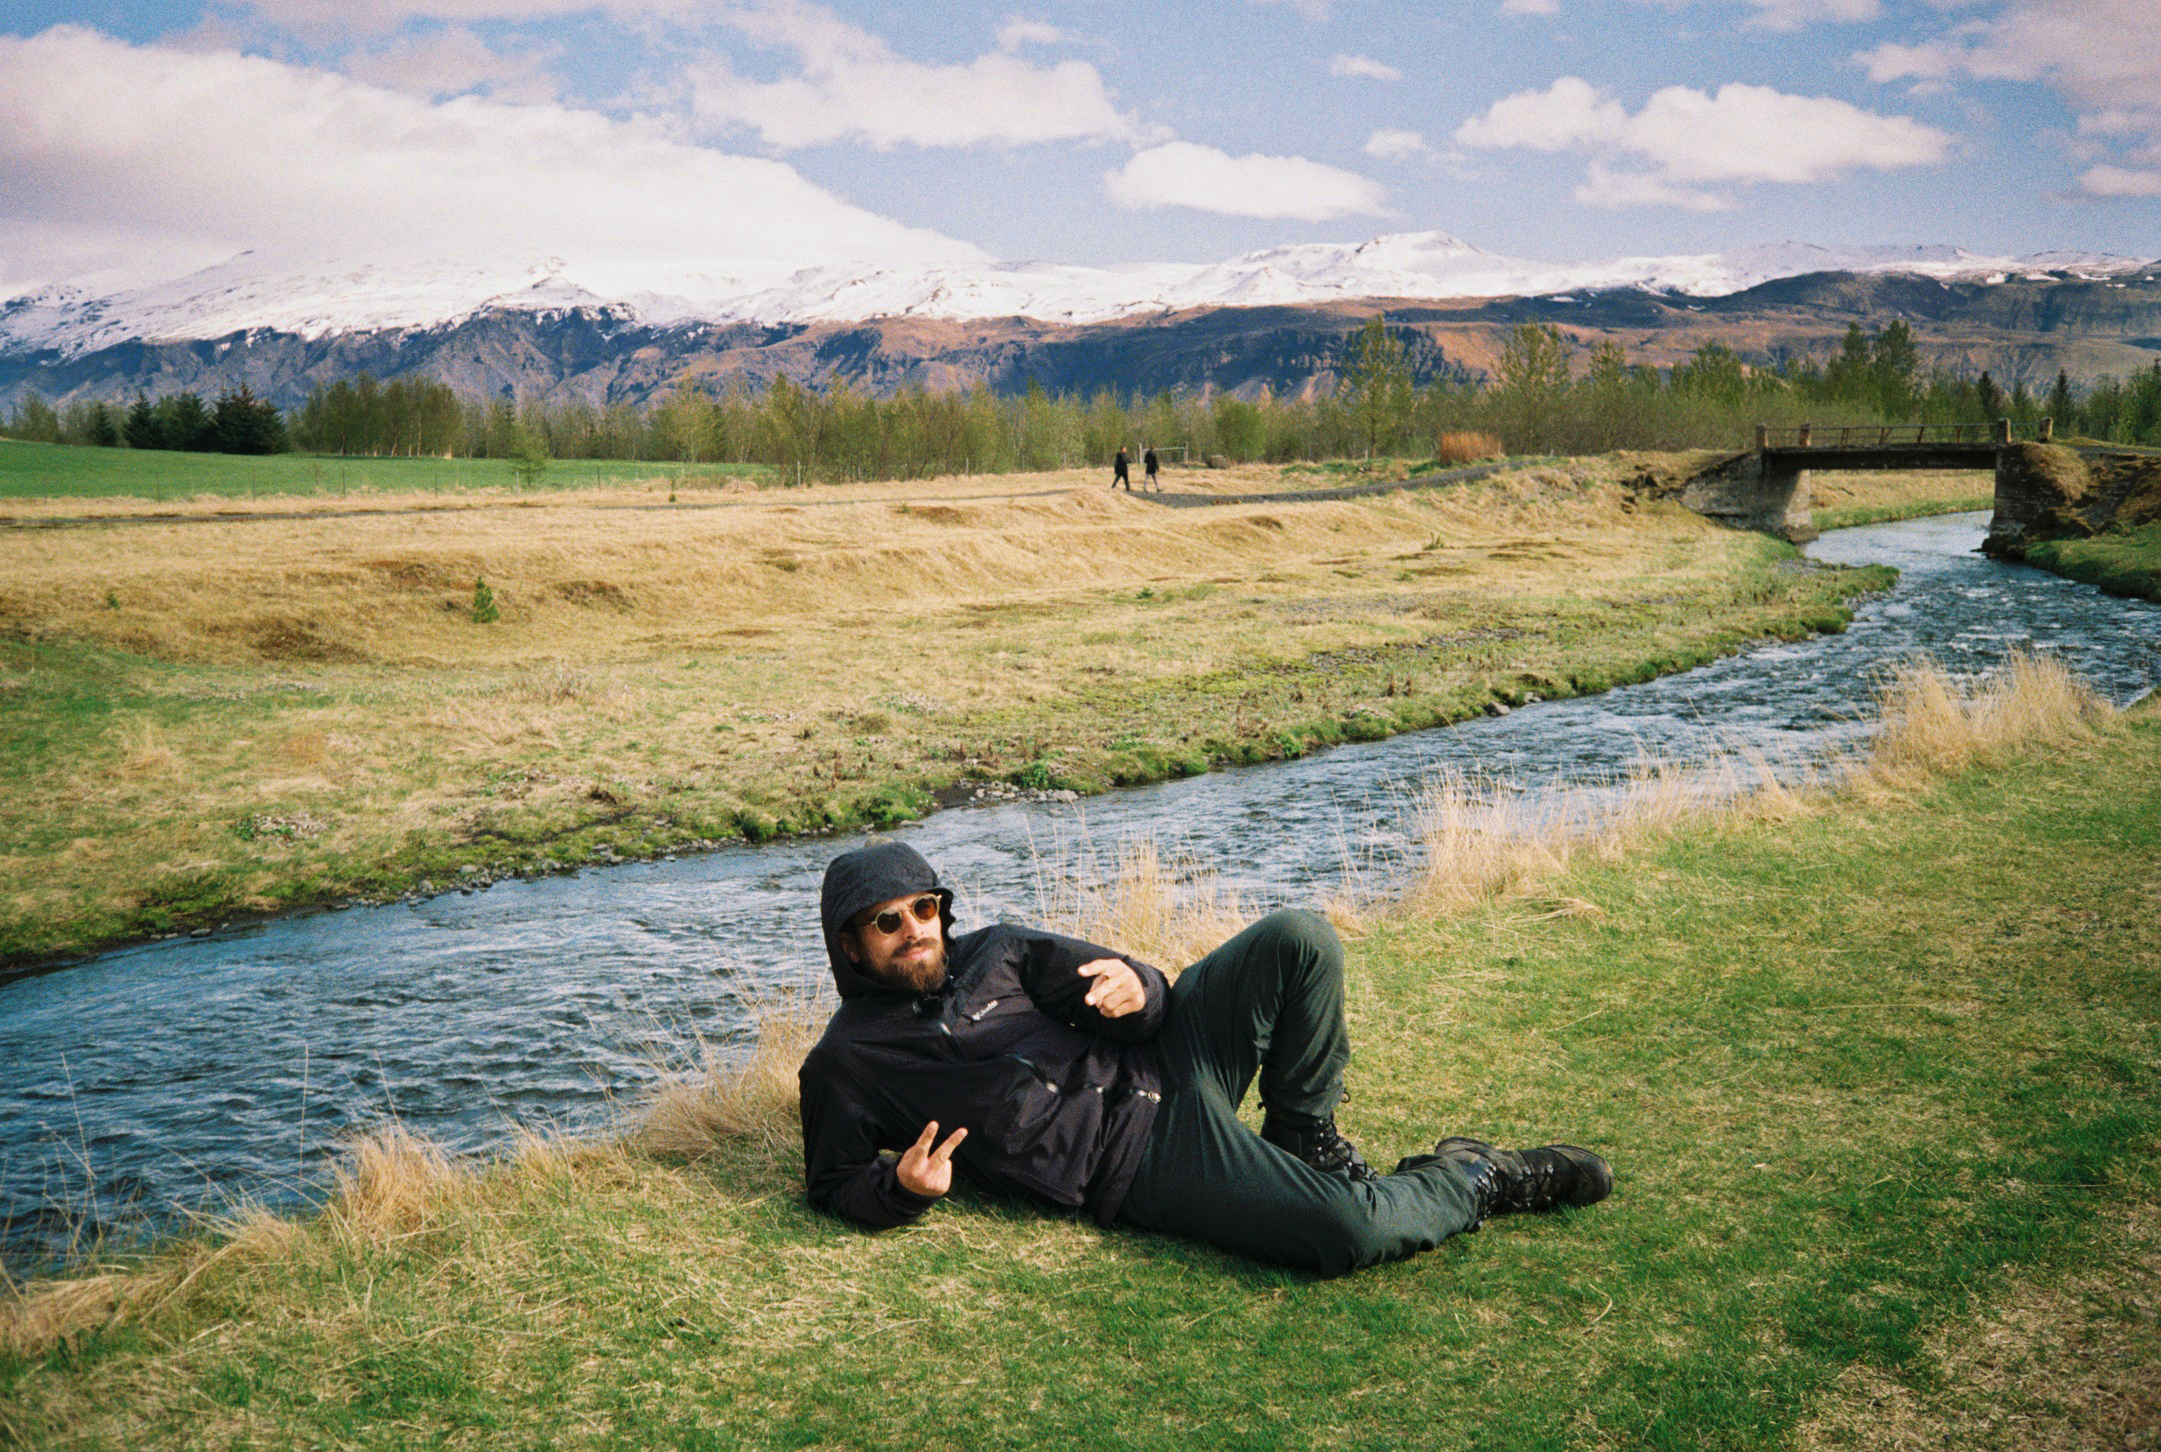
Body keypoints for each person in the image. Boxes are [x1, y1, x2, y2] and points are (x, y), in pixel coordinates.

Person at [800, 841, 1613, 1276]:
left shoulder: (1003, 949)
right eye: (888, 921)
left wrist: (1138, 988)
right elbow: (834, 1183)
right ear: (851, 945)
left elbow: (1140, 992)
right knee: (1341, 1231)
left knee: (1299, 937)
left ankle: (1302, 1134)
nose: (916, 928)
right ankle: (1478, 1176)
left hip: (1170, 1058)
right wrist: (899, 1191)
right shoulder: (848, 1063)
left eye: (925, 907)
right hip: (1139, 1160)